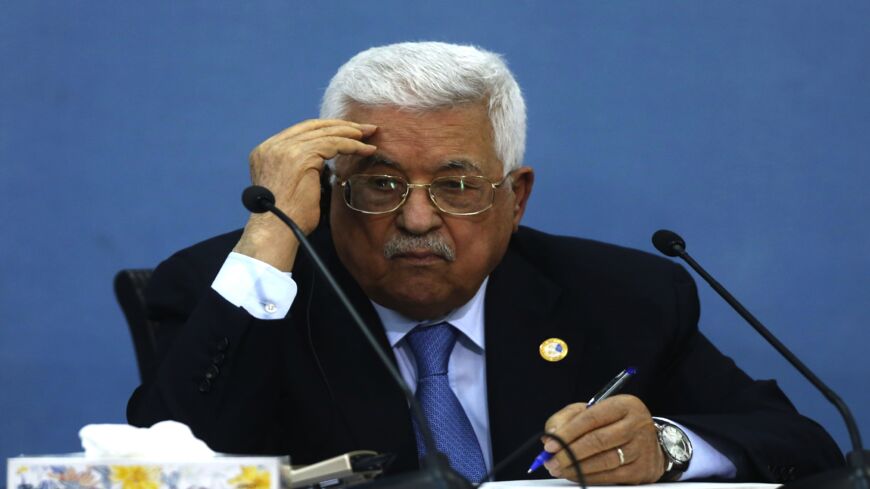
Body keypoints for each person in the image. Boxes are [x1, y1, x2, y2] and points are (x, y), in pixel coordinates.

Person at [127, 41, 843, 484]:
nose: (415, 218)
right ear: (329, 188)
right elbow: (162, 466)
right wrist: (269, 235)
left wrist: (665, 447)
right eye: (379, 183)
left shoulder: (624, 295)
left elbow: (800, 440)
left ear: (516, 197)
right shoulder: (244, 288)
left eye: (457, 186)